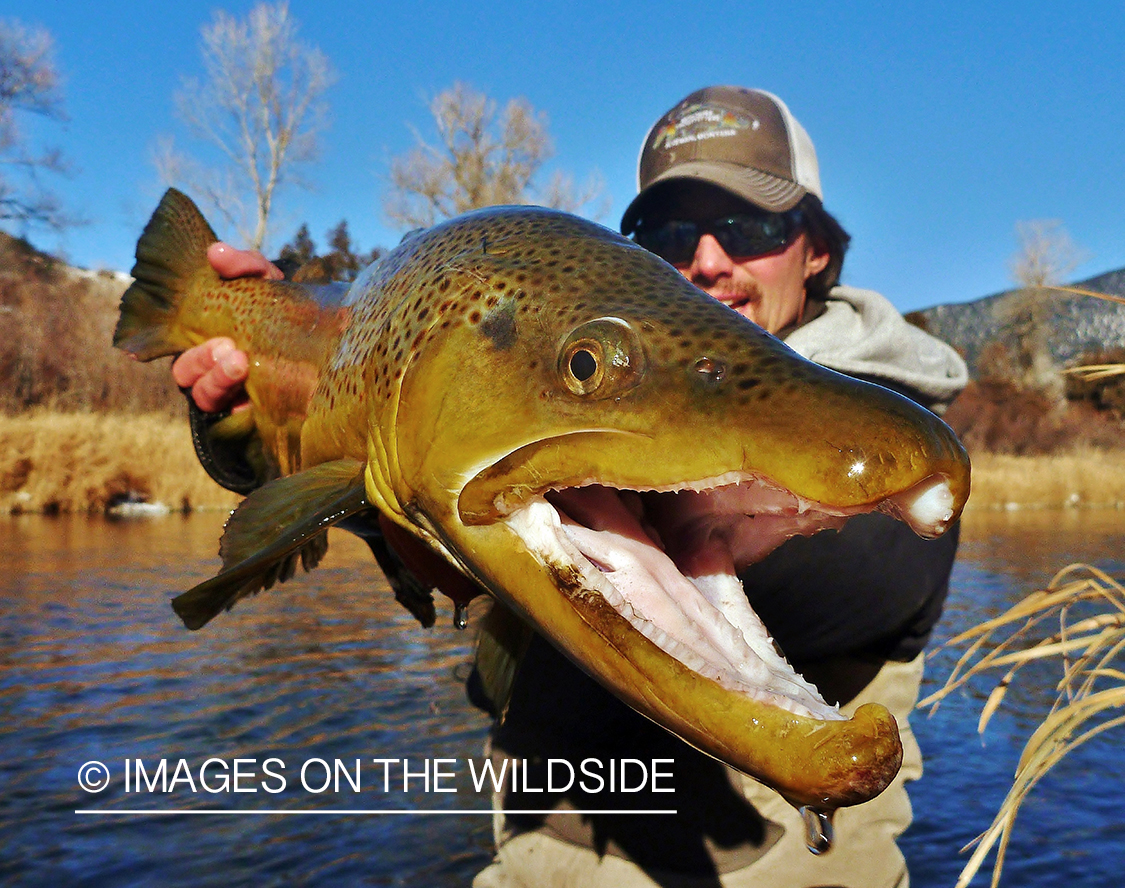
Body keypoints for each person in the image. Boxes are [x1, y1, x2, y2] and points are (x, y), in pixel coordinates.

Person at [173, 85, 968, 887]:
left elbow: (849, 576)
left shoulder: (885, 407)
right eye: (667, 232)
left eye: (749, 227)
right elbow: (385, 483)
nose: (707, 259)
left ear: (817, 248)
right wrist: (239, 431)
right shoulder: (539, 411)